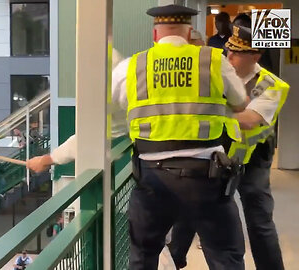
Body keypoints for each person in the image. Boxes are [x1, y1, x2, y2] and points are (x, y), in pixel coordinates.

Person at [29, 4, 250, 269]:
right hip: (207, 177)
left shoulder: (131, 68)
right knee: (225, 256)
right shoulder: (214, 60)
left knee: (143, 258)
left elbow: (98, 126)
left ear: (155, 35)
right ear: (189, 32)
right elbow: (240, 103)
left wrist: (50, 158)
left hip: (153, 180)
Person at [169, 23, 290, 270]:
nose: (229, 56)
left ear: (255, 56)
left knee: (259, 221)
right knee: (190, 207)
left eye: (236, 53)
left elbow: (249, 120)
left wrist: (208, 110)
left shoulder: (272, 85)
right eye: (228, 51)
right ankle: (172, 262)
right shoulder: (218, 73)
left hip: (252, 162)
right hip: (216, 155)